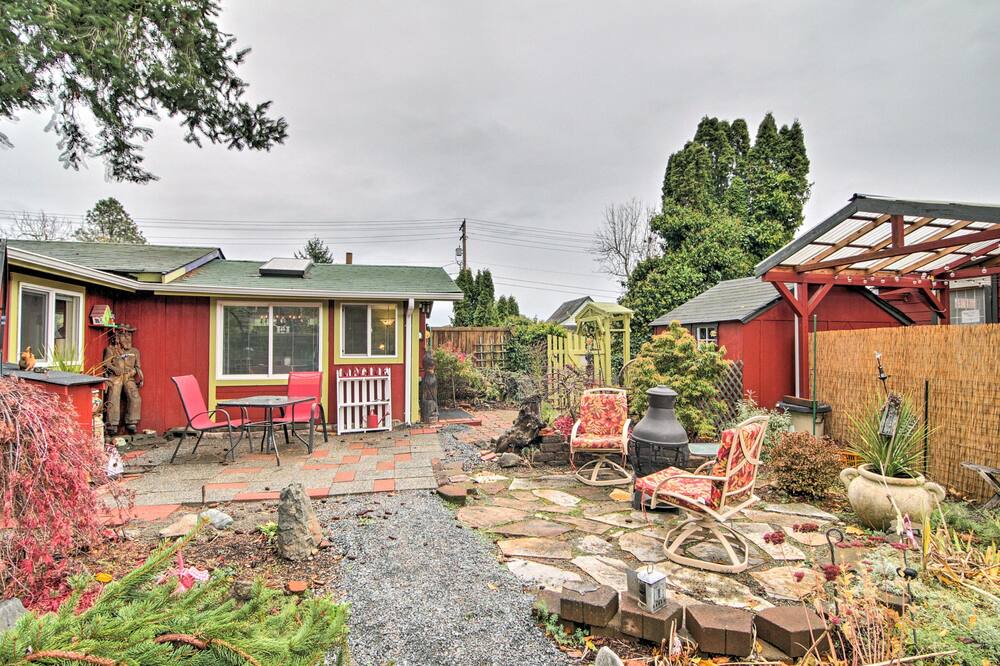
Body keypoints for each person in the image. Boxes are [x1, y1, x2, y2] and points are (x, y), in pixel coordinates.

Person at [104, 326, 143, 434]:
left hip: (128, 377)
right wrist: (115, 369)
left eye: (129, 335)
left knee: (135, 396)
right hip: (115, 377)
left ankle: (132, 421)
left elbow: (137, 367)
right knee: (114, 395)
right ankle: (112, 424)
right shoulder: (111, 350)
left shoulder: (135, 351)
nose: (127, 338)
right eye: (123, 335)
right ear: (117, 337)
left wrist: (133, 372)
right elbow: (106, 363)